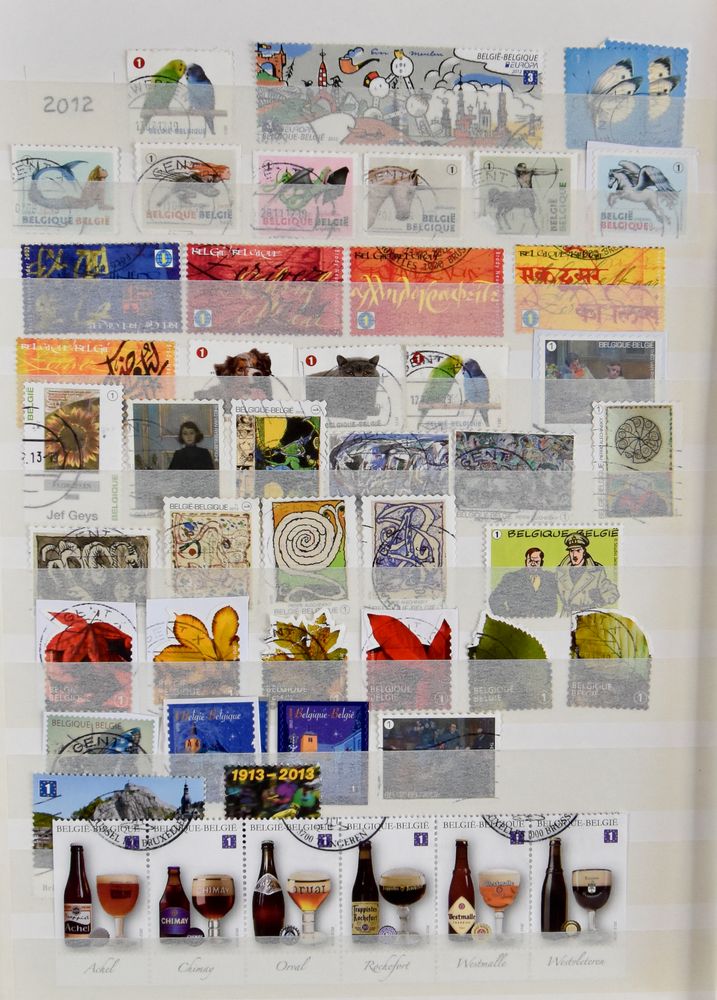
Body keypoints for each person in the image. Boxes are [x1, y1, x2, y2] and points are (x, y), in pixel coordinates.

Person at [556, 532, 620, 615]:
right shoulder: (560, 571)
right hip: (566, 615)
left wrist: (600, 598)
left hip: (587, 615)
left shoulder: (596, 572)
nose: (574, 555)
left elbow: (613, 592)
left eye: (578, 550)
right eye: (571, 551)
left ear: (584, 552)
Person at [489, 547, 558, 617]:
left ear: (541, 562)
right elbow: (494, 599)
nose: (533, 563)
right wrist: (506, 618)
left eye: (536, 561)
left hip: (546, 622)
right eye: (530, 560)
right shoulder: (511, 578)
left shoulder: (551, 577)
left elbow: (564, 595)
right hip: (518, 622)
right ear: (526, 561)